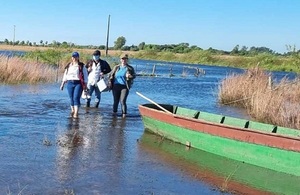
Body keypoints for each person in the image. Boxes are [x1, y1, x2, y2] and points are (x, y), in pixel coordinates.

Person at [60, 51, 88, 118]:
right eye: (73, 57)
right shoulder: (69, 65)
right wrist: (62, 84)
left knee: (76, 97)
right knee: (71, 98)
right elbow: (65, 75)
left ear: (78, 57)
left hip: (78, 83)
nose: (74, 58)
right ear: (72, 57)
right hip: (70, 83)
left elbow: (85, 76)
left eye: (76, 57)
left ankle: (76, 113)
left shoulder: (81, 66)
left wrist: (85, 85)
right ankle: (72, 110)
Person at [108, 53, 136, 118]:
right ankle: (114, 114)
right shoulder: (116, 67)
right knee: (115, 101)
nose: (124, 60)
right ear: (120, 60)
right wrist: (110, 77)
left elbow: (134, 76)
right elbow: (110, 74)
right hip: (115, 86)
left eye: (125, 59)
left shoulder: (130, 68)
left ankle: (124, 115)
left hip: (124, 86)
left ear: (127, 60)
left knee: (122, 101)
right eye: (123, 59)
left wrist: (129, 76)